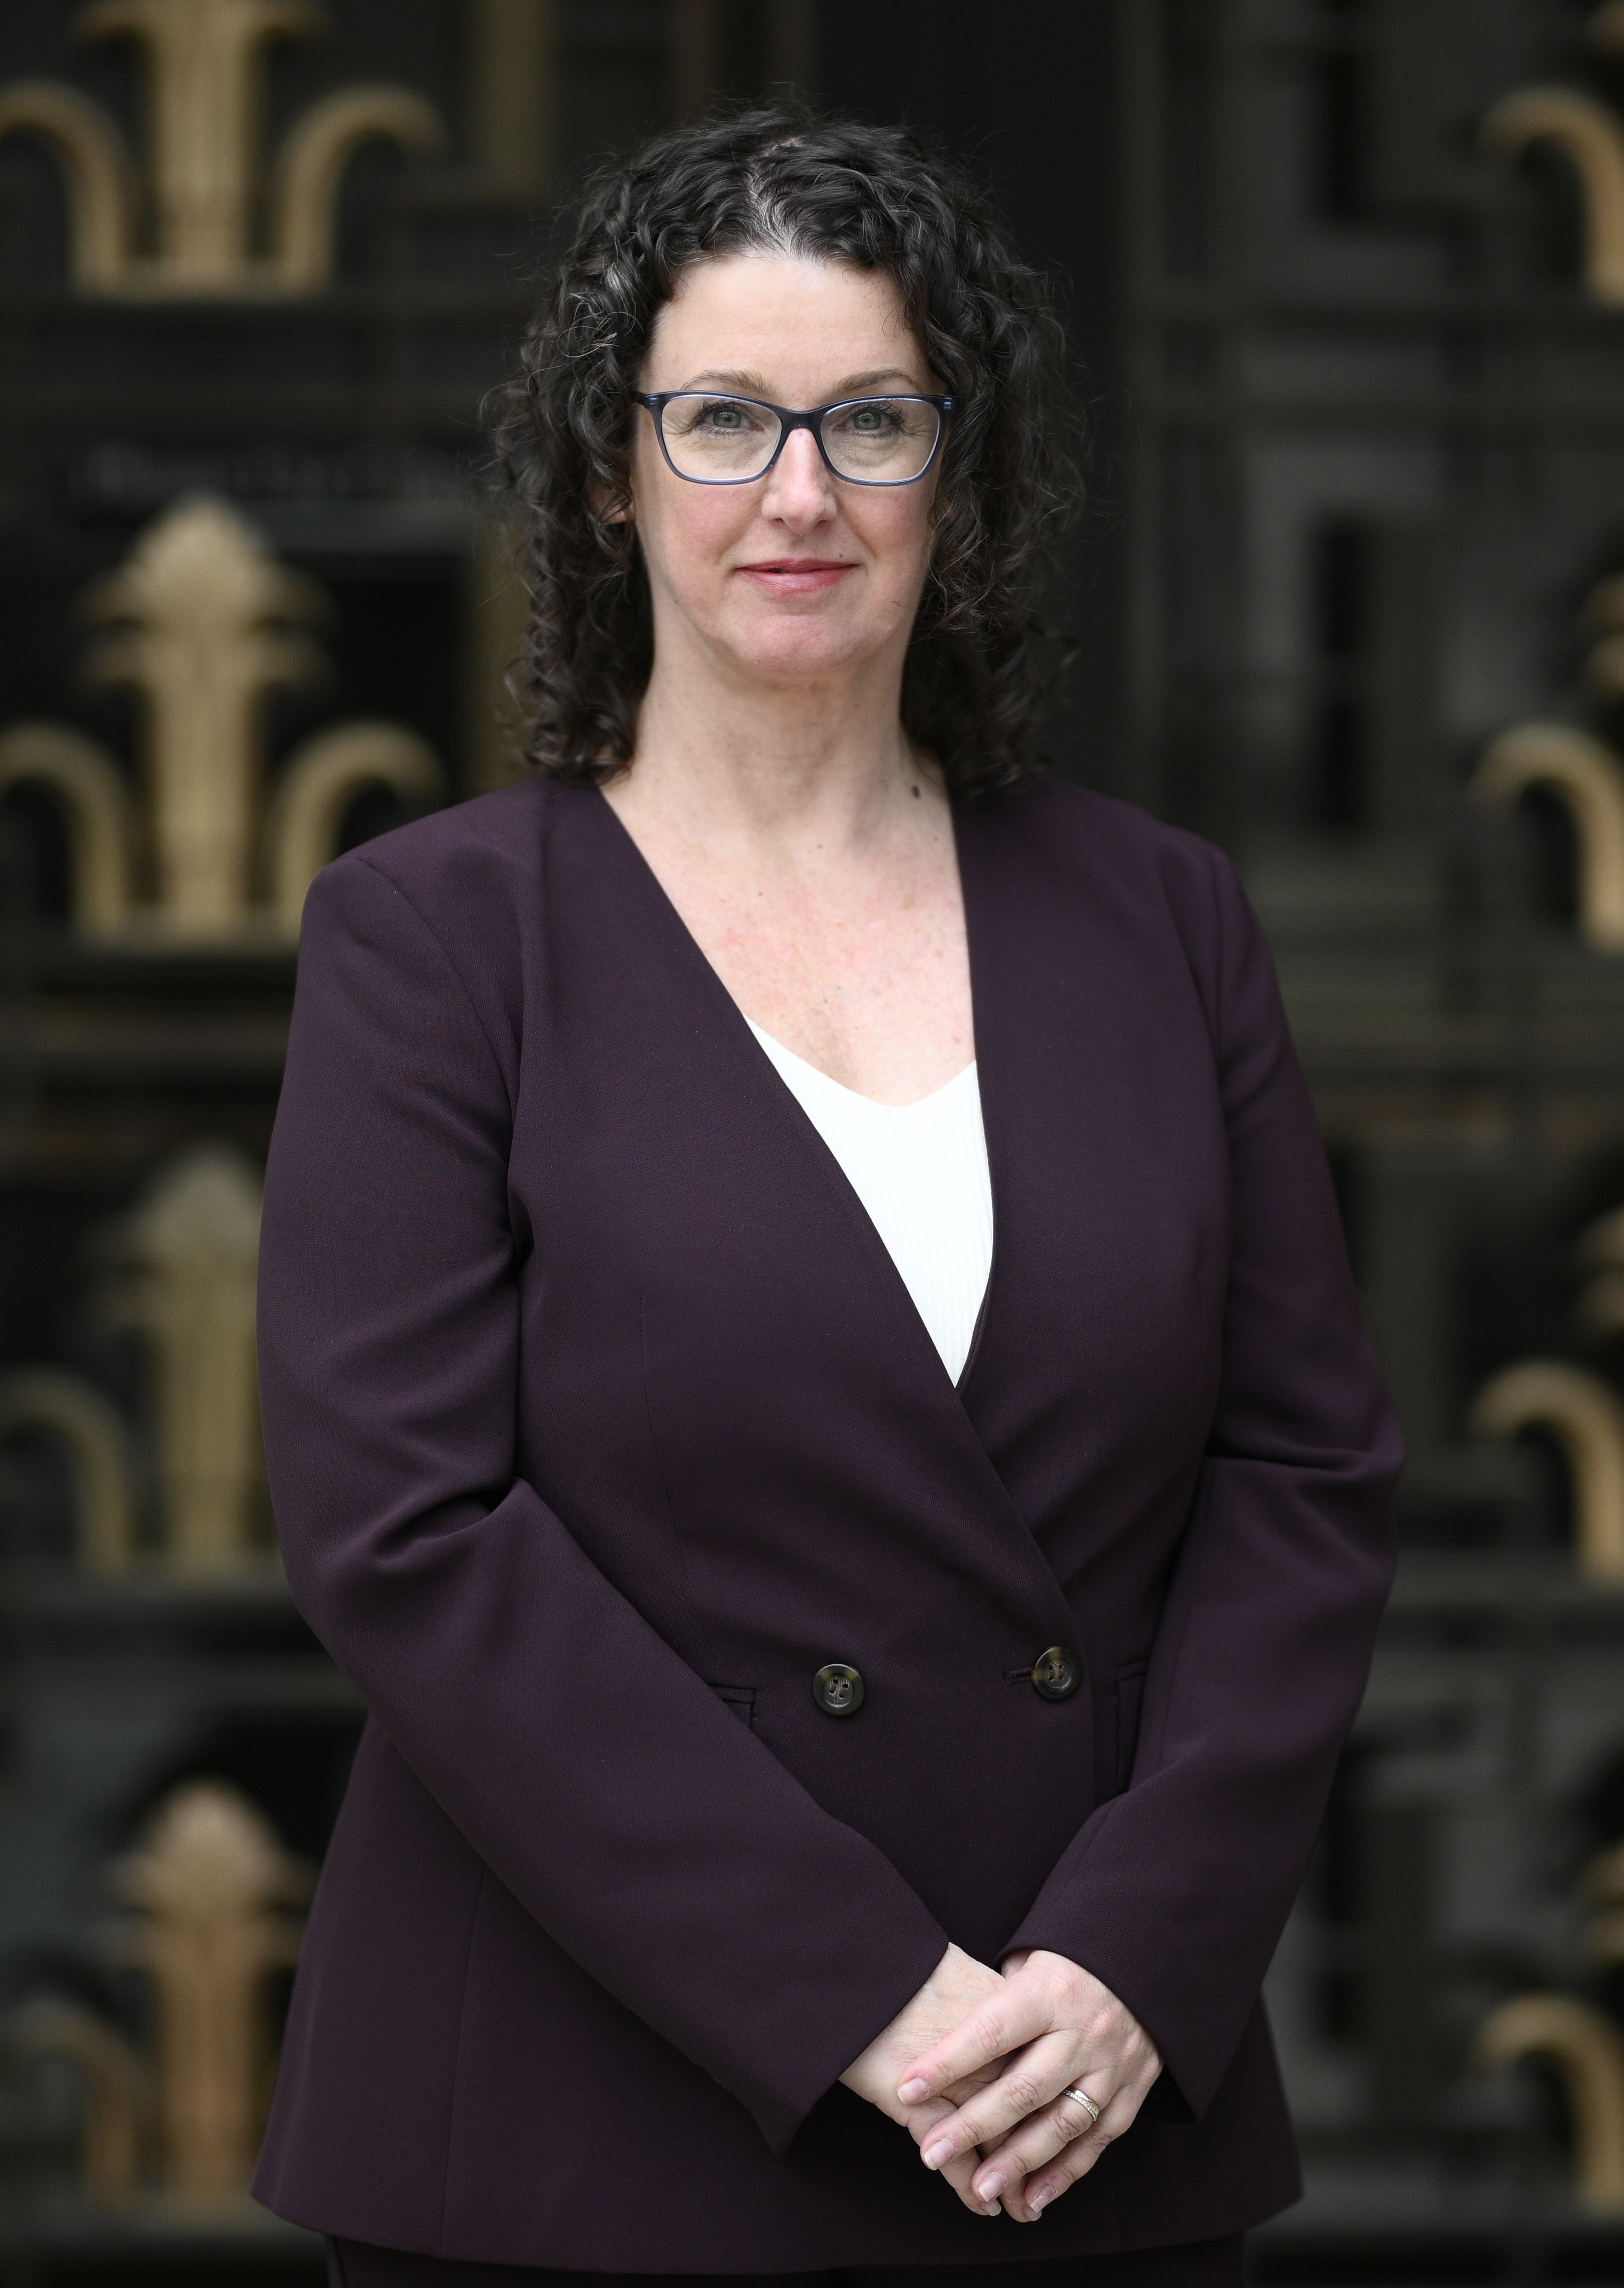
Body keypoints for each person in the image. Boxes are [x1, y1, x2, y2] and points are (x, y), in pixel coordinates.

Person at [252, 108, 1401, 2285]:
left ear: (952, 473)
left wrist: (1134, 1961)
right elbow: (400, 1533)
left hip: (1084, 2109)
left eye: (871, 419)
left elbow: (1304, 1473)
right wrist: (872, 1994)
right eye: (721, 422)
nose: (800, 491)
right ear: (612, 474)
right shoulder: (436, 937)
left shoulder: (1161, 915)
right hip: (587, 2135)